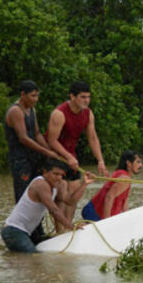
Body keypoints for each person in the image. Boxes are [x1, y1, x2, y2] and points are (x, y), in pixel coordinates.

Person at [46, 81, 108, 231]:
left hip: (71, 157)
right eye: (82, 97)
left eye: (88, 97)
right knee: (61, 197)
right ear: (72, 96)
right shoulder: (59, 113)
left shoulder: (88, 113)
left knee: (73, 195)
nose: (86, 100)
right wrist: (68, 157)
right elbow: (51, 141)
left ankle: (68, 230)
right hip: (55, 157)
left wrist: (100, 160)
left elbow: (92, 138)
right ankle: (60, 232)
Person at [4, 80, 59, 241]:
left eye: (37, 95)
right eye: (33, 96)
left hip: (34, 158)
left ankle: (37, 232)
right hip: (20, 160)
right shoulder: (16, 111)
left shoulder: (31, 109)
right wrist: (45, 151)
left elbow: (36, 134)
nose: (36, 99)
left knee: (40, 194)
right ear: (23, 95)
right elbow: (23, 138)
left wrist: (50, 151)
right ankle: (27, 233)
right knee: (24, 195)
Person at [1, 159, 93, 253]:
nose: (59, 177)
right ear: (45, 172)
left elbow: (70, 201)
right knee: (35, 258)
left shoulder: (57, 184)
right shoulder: (41, 184)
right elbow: (54, 210)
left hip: (24, 232)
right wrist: (71, 226)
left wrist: (84, 184)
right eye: (55, 174)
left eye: (61, 175)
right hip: (13, 231)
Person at [82, 151, 143, 221]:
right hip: (95, 214)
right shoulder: (125, 178)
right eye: (138, 162)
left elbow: (124, 200)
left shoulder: (119, 173)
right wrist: (107, 222)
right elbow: (109, 197)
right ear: (128, 163)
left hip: (92, 209)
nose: (141, 165)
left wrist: (128, 219)